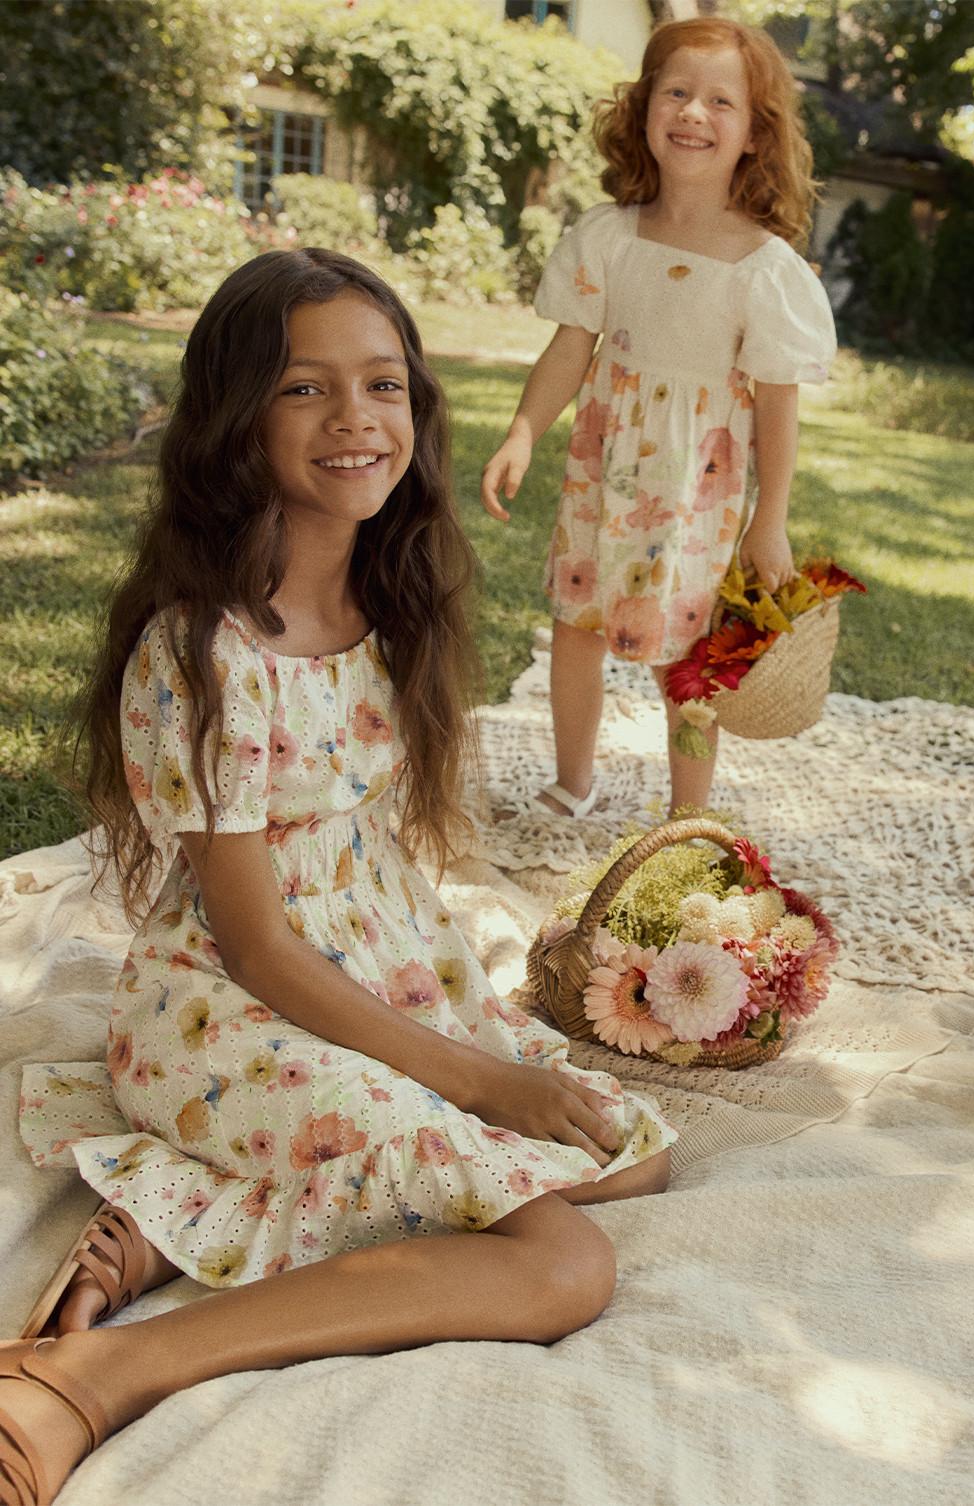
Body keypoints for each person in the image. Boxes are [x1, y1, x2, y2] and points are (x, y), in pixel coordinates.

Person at [2, 248, 674, 1505]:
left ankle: (183, 1211)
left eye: (382, 386)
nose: (357, 420)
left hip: (373, 972)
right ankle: (94, 1377)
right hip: (231, 1011)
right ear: (235, 420)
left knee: (629, 1152)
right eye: (306, 390)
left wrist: (477, 1056)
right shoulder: (201, 654)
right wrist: (477, 1078)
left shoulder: (390, 599)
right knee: (561, 1261)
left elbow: (365, 866)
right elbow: (258, 948)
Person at [481, 16, 836, 820]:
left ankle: (686, 818)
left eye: (721, 101)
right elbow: (572, 349)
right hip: (601, 474)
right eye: (676, 92)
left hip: (695, 493)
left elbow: (780, 408)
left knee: (687, 658)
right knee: (576, 625)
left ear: (753, 133)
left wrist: (769, 522)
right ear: (644, 110)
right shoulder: (609, 237)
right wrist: (522, 432)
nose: (694, 113)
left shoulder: (764, 270)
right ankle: (573, 784)